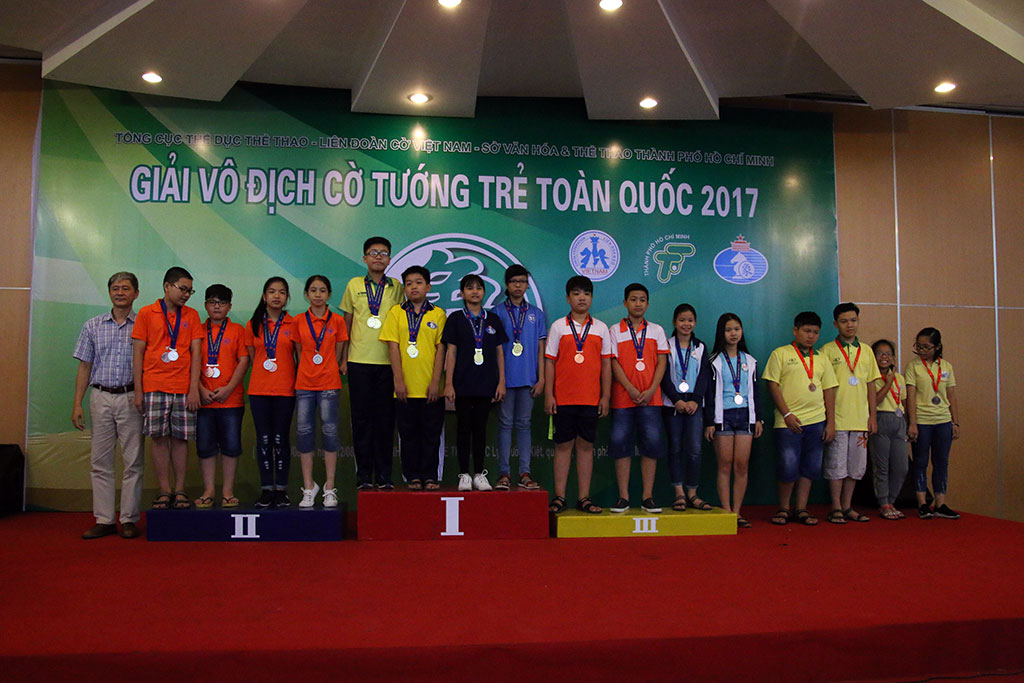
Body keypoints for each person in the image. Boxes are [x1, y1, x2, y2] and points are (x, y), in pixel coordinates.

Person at [72, 272, 145, 539]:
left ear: (136, 293)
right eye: (115, 288)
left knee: (133, 461)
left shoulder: (143, 326)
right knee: (100, 461)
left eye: (125, 288)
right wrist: (77, 404)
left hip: (132, 397)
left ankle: (128, 519)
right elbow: (84, 366)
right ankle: (104, 519)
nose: (120, 293)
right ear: (110, 292)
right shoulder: (92, 325)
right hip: (100, 396)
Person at [131, 266, 203, 511]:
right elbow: (138, 353)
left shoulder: (192, 315)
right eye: (183, 289)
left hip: (183, 387)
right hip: (154, 385)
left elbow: (196, 353)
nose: (186, 295)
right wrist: (138, 390)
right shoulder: (146, 313)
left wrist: (194, 388)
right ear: (167, 286)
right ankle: (164, 490)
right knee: (159, 439)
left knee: (181, 440)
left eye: (190, 291)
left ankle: (180, 489)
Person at [340, 237, 405, 490]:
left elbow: (403, 324)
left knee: (386, 421)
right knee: (361, 421)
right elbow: (347, 323)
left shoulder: (396, 287)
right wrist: (344, 358)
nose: (378, 256)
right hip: (358, 362)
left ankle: (385, 476)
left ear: (389, 259)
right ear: (364, 258)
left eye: (384, 253)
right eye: (373, 252)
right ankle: (364, 476)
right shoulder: (354, 284)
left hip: (388, 364)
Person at [544, 276, 612, 514]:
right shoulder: (558, 326)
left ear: (591, 298)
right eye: (576, 293)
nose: (581, 298)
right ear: (568, 298)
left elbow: (606, 365)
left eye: (586, 293)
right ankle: (560, 497)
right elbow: (550, 362)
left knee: (585, 448)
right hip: (563, 399)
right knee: (563, 447)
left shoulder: (601, 328)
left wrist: (605, 397)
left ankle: (584, 498)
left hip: (591, 399)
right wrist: (549, 395)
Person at [762, 311, 838, 526]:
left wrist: (830, 422)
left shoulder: (822, 358)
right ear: (795, 330)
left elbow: (829, 390)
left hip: (817, 421)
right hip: (788, 422)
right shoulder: (780, 354)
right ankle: (784, 508)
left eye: (815, 332)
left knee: (811, 467)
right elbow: (772, 385)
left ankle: (802, 508)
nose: (811, 336)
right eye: (806, 331)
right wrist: (786, 414)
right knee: (788, 466)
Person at [379, 266, 448, 490]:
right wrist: (398, 380)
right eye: (408, 284)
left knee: (431, 435)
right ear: (404, 289)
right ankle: (412, 476)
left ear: (428, 287)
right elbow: (393, 347)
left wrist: (436, 382)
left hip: (431, 388)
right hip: (404, 388)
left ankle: (430, 476)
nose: (413, 287)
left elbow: (441, 349)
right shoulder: (396, 312)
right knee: (407, 435)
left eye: (418, 282)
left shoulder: (438, 314)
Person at [608, 283, 669, 514]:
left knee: (651, 446)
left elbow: (662, 362)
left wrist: (652, 389)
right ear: (625, 303)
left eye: (642, 299)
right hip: (623, 399)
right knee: (621, 445)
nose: (638, 303)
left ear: (648, 304)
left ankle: (647, 497)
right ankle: (623, 497)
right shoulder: (615, 330)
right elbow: (613, 362)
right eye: (633, 299)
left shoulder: (657, 330)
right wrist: (630, 389)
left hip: (651, 400)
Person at [443, 273, 508, 491]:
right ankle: (464, 475)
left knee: (480, 429)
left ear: (484, 292)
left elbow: (500, 353)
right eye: (469, 288)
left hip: (486, 384)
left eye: (479, 288)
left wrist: (501, 382)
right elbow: (451, 352)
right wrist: (448, 384)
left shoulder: (493, 320)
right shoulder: (455, 319)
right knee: (463, 429)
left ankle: (480, 474)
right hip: (462, 383)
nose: (475, 291)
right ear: (462, 293)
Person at [820, 303, 881, 524]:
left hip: (861, 420)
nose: (850, 325)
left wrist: (872, 416)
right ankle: (835, 506)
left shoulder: (866, 351)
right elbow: (824, 387)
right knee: (836, 465)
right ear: (836, 324)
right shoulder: (827, 351)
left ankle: (847, 506)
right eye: (844, 321)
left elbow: (871, 385)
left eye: (853, 320)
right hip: (837, 419)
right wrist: (829, 420)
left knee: (856, 467)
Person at [704, 313, 764, 529]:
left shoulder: (750, 361)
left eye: (737, 329)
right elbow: (708, 394)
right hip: (723, 417)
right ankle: (726, 511)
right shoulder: (714, 361)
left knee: (741, 464)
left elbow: (756, 392)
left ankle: (737, 512)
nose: (733, 333)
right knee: (725, 464)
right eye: (728, 330)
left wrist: (759, 418)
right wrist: (709, 421)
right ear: (721, 333)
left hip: (745, 416)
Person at [295, 275, 349, 508]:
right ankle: (309, 487)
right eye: (313, 290)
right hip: (304, 385)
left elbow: (339, 350)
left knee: (330, 432)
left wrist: (326, 368)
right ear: (306, 294)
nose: (318, 295)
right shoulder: (298, 321)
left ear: (329, 295)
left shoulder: (337, 320)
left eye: (323, 290)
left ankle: (329, 486)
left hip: (329, 383)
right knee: (304, 433)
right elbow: (299, 352)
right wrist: (310, 368)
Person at [244, 277, 298, 508]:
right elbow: (253, 356)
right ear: (264, 296)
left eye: (282, 292)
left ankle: (281, 490)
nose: (277, 296)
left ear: (287, 298)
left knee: (281, 439)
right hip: (259, 390)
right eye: (272, 292)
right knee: (264, 440)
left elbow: (299, 357)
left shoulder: (294, 323)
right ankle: (267, 489)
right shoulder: (253, 324)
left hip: (286, 390)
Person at [194, 284, 250, 509]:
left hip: (231, 400)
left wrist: (228, 388)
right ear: (206, 305)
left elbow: (244, 360)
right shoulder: (197, 330)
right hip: (203, 400)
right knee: (205, 447)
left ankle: (228, 491)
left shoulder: (238, 330)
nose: (217, 306)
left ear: (229, 307)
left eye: (222, 303)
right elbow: (189, 363)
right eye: (212, 302)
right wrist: (199, 389)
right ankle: (208, 490)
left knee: (231, 446)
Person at [493, 265, 546, 491]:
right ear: (507, 284)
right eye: (514, 281)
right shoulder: (497, 312)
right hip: (504, 380)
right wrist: (498, 381)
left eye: (522, 281)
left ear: (527, 285)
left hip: (528, 379)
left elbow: (541, 348)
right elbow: (494, 349)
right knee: (505, 425)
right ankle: (504, 473)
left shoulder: (536, 314)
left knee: (524, 425)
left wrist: (541, 378)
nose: (518, 285)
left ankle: (525, 472)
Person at [660, 303, 713, 512]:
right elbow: (663, 374)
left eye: (690, 320)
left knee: (695, 450)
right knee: (675, 448)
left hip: (694, 404)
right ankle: (679, 493)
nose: (686, 324)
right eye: (682, 320)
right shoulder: (667, 344)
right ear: (675, 322)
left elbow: (704, 376)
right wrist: (676, 399)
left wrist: (695, 399)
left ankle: (692, 493)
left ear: (695, 322)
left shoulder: (700, 347)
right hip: (672, 404)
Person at [905, 327, 960, 519]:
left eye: (926, 347)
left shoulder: (946, 367)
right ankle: (922, 503)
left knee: (941, 462)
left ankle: (940, 503)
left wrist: (955, 422)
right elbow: (910, 397)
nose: (921, 350)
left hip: (943, 421)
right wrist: (912, 423)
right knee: (920, 462)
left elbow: (951, 396)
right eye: (918, 346)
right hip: (922, 420)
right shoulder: (913, 367)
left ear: (937, 347)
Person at [868, 339, 909, 520]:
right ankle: (884, 502)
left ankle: (892, 500)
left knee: (901, 467)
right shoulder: (872, 377)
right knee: (882, 467)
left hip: (899, 421)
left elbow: (904, 402)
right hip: (880, 419)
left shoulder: (900, 378)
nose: (884, 357)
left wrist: (909, 424)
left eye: (888, 354)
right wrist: (888, 383)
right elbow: (875, 400)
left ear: (893, 358)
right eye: (879, 353)